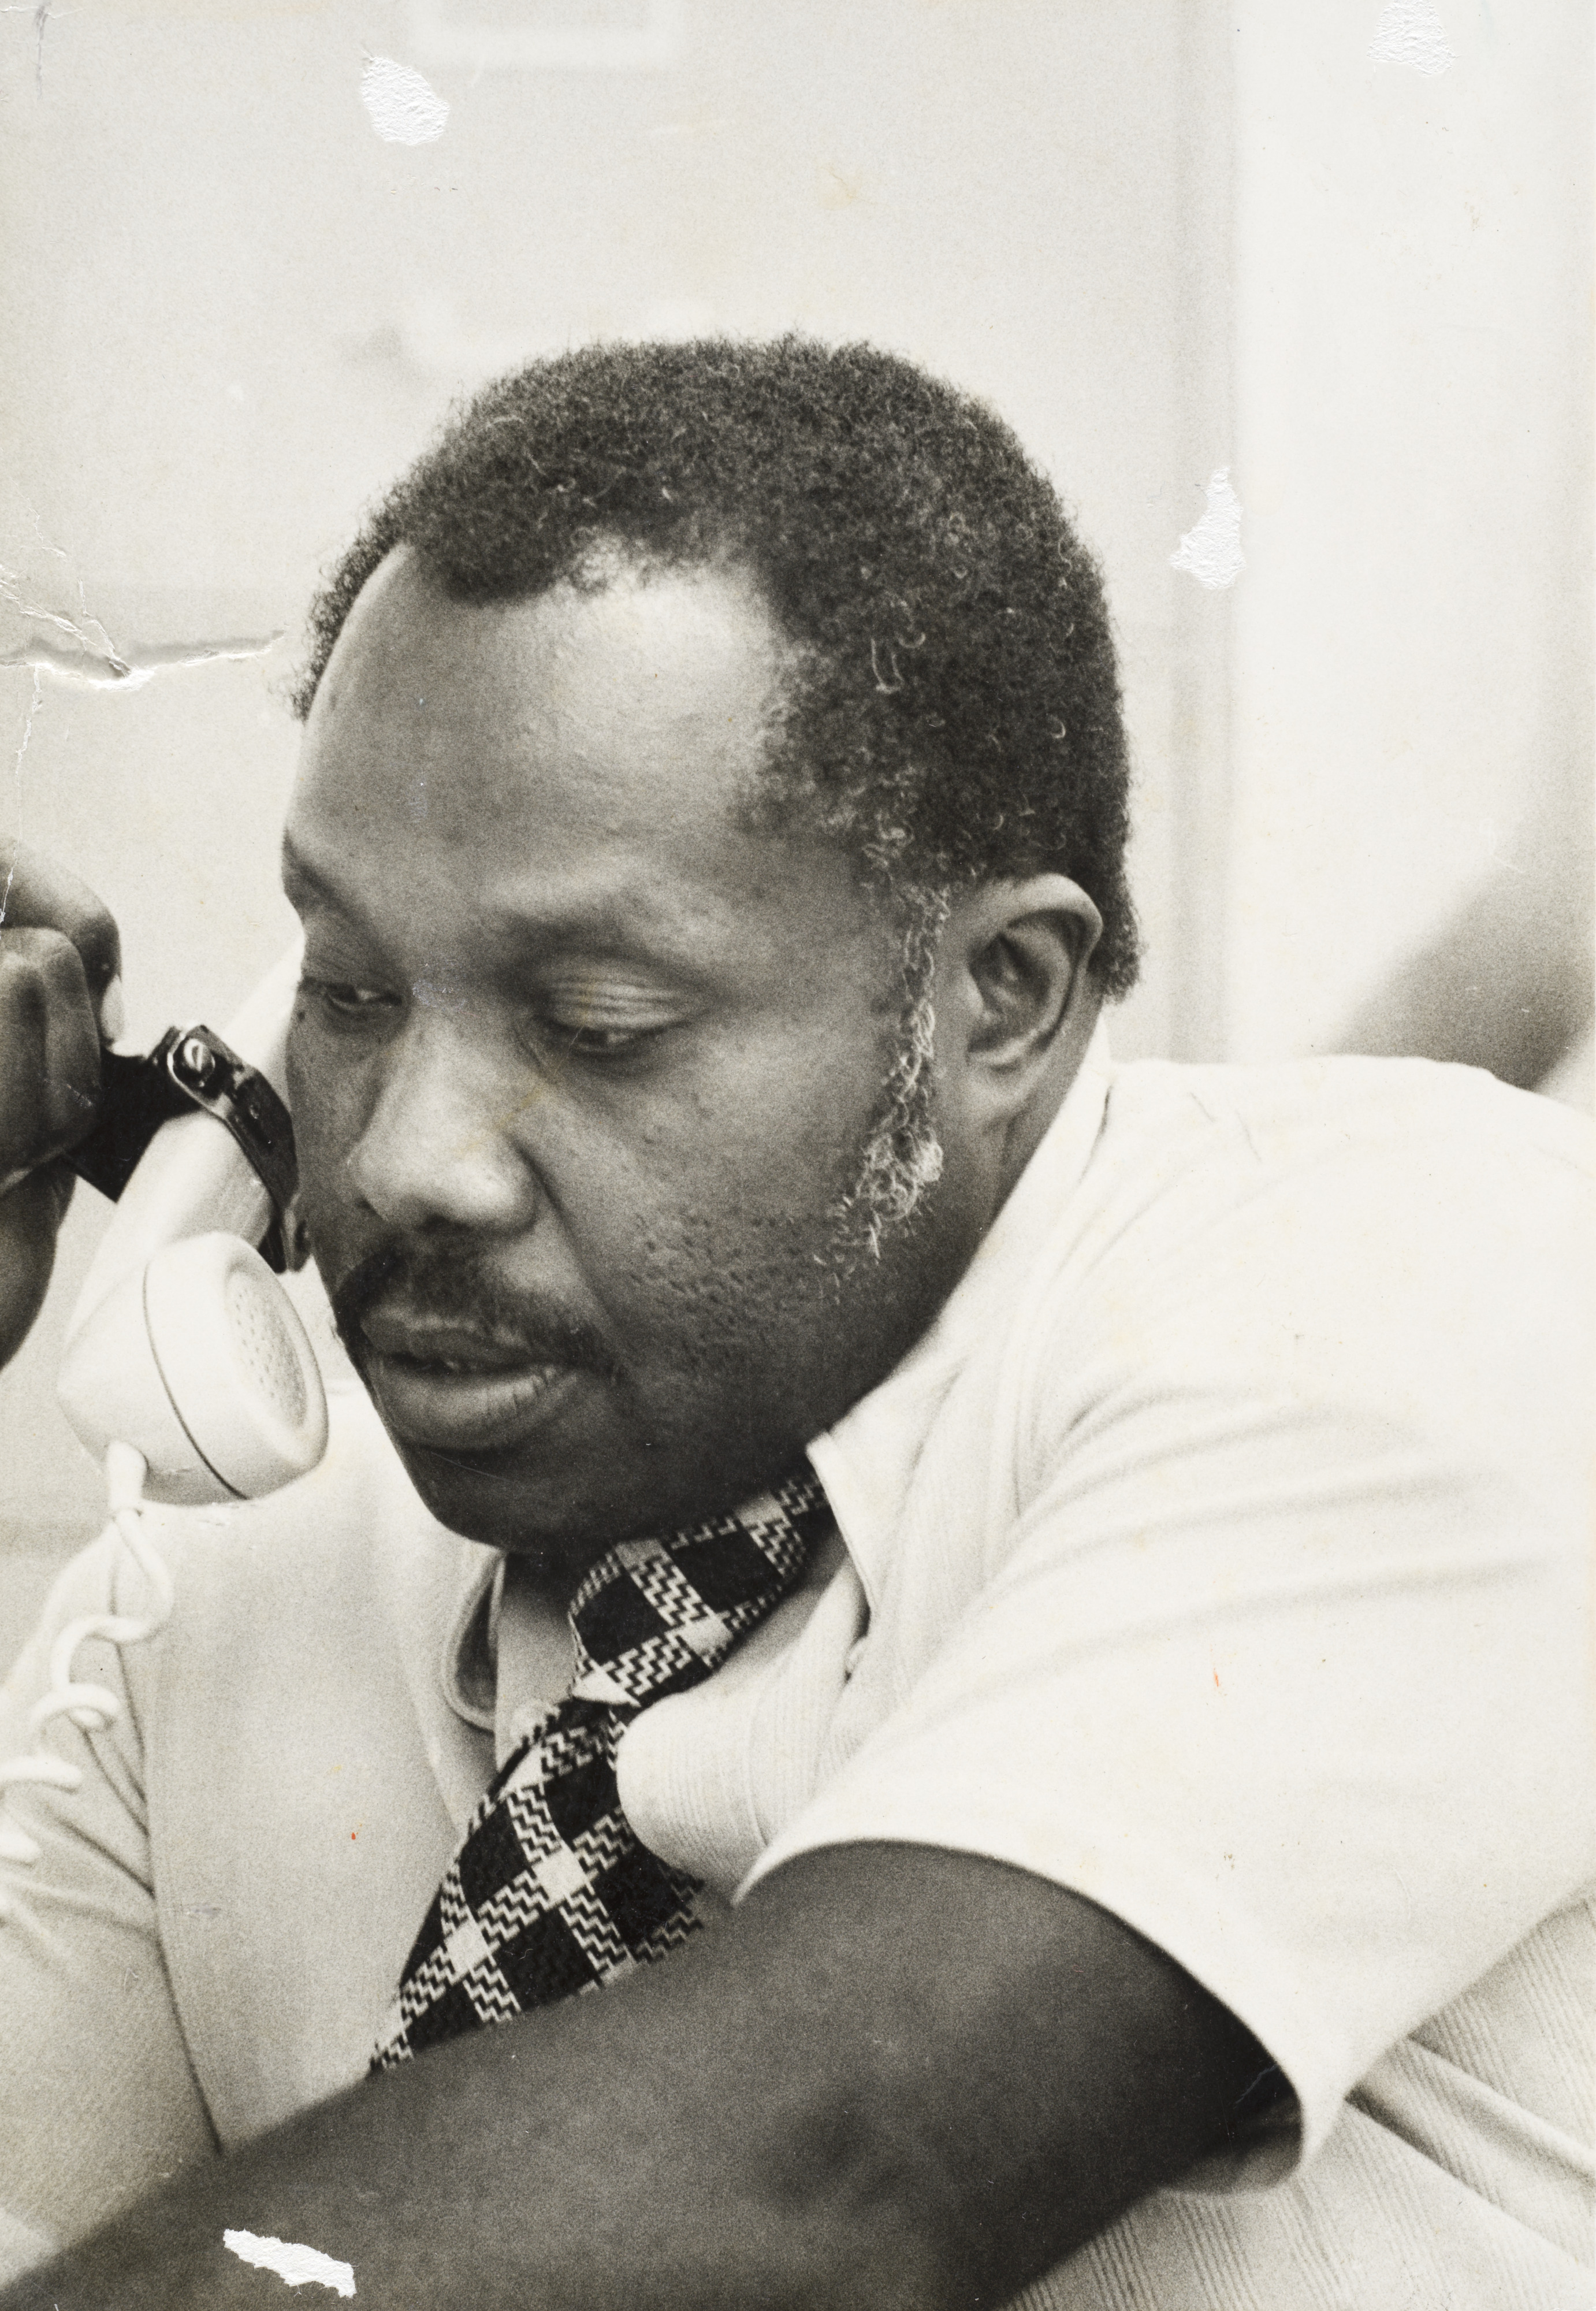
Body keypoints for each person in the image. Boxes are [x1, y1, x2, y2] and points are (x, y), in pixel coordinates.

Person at [0, 337, 1589, 2311]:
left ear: (999, 1001)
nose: (404, 1165)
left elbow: (827, 2174)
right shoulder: (232, 1553)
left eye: (596, 1025)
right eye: (348, 987)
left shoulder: (1417, 1284)